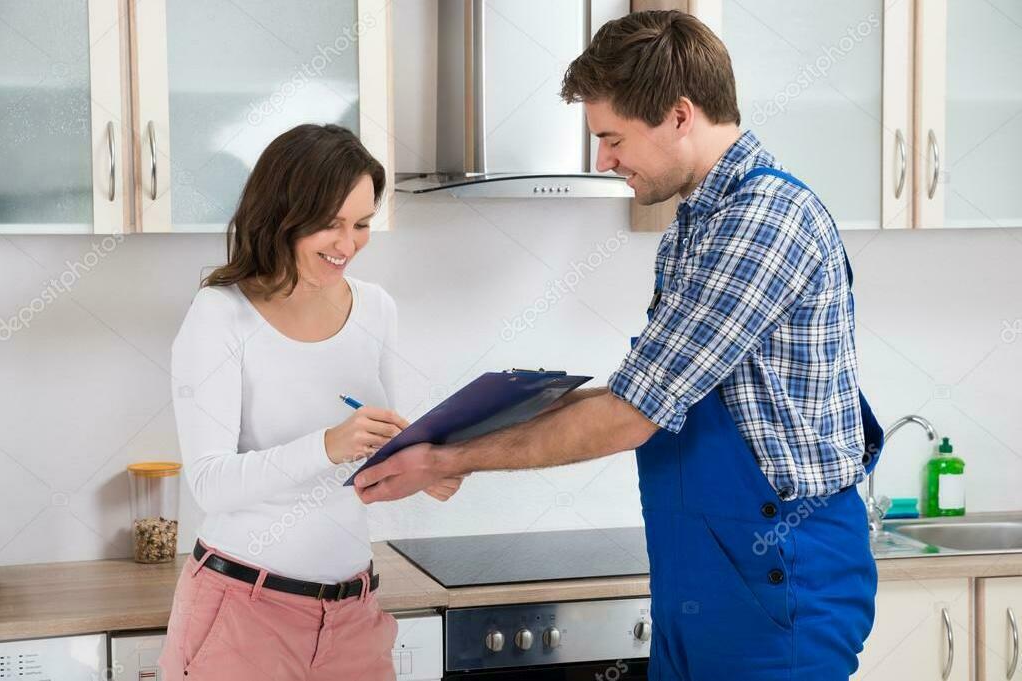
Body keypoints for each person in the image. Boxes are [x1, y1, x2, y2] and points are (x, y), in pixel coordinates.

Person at [352, 12, 883, 681]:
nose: (603, 159)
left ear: (679, 116)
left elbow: (631, 415)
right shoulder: (695, 226)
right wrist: (453, 436)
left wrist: (448, 458)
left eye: (611, 137)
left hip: (778, 587)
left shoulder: (762, 222)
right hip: (702, 580)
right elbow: (645, 393)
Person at [160, 124, 462, 681]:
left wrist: (424, 465)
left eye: (362, 224)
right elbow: (210, 483)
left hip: (354, 617)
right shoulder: (220, 314)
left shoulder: (376, 308)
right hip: (244, 614)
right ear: (283, 216)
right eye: (330, 224)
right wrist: (327, 444)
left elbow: (374, 452)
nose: (348, 245)